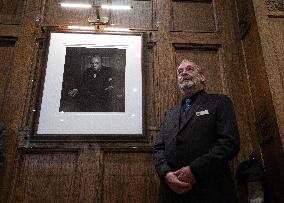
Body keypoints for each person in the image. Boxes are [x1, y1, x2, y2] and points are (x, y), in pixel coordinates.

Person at [153, 59, 240, 203]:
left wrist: (194, 170)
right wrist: (166, 174)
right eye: (180, 72)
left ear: (202, 77)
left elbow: (229, 143)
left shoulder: (220, 102)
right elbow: (158, 149)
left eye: (189, 69)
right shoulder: (170, 113)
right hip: (172, 193)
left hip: (211, 190)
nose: (184, 73)